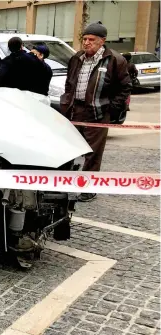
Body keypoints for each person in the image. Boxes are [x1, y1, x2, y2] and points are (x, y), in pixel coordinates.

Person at [59, 21, 131, 202]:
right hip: (76, 110)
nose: (86, 42)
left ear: (102, 41)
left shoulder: (115, 60)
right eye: (84, 39)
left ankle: (88, 189)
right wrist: (66, 102)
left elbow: (125, 87)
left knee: (92, 154)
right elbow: (70, 84)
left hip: (98, 114)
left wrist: (111, 108)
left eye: (91, 39)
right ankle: (61, 184)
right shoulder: (77, 58)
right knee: (68, 149)